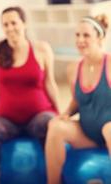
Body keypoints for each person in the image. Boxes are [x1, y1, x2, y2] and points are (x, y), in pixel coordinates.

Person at [0, 6, 60, 184]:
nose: (10, 28)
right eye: (5, 24)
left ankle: (55, 176)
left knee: (48, 123)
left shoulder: (42, 49)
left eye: (14, 23)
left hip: (38, 116)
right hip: (7, 121)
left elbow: (50, 83)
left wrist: (59, 113)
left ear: (24, 23)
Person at [45, 14, 111, 184]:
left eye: (86, 35)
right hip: (88, 133)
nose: (80, 40)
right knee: (55, 126)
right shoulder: (73, 68)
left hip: (109, 131)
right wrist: (66, 113)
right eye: (77, 35)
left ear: (99, 38)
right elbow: (77, 100)